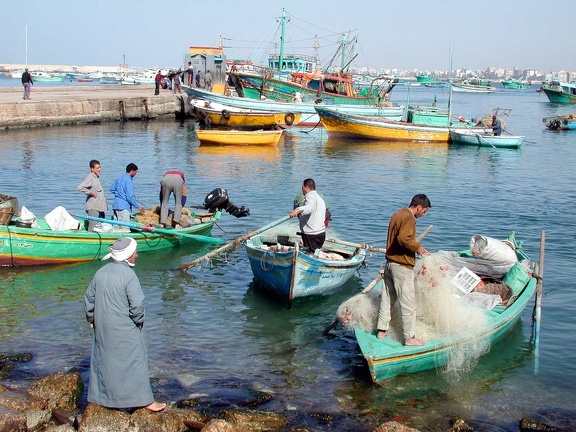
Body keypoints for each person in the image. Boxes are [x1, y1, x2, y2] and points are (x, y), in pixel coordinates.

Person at [84, 237, 167, 412]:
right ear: (128, 256)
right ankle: (146, 401)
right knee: (135, 361)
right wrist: (138, 322)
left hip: (103, 328)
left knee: (104, 361)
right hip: (125, 328)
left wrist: (92, 319)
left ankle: (102, 398)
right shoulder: (129, 275)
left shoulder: (101, 272)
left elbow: (88, 298)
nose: (137, 255)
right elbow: (137, 306)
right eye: (135, 253)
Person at [376, 194, 431, 347]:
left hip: (390, 264)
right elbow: (404, 239)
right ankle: (409, 337)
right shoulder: (409, 218)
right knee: (408, 303)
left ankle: (381, 330)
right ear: (419, 207)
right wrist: (418, 248)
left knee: (387, 299)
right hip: (402, 266)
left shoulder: (397, 214)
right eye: (424, 211)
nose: (423, 215)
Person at [289, 178, 327, 251]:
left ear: (306, 187)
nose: (302, 189)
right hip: (321, 233)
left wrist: (297, 210)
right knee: (314, 254)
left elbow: (309, 208)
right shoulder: (319, 198)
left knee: (310, 255)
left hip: (312, 235)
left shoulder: (310, 196)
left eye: (302, 187)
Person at [77, 159, 107, 231]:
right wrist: (91, 193)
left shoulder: (96, 178)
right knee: (92, 228)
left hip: (99, 207)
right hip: (93, 207)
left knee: (100, 227)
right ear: (92, 169)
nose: (99, 169)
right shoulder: (90, 177)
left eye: (100, 167)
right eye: (97, 168)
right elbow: (80, 187)